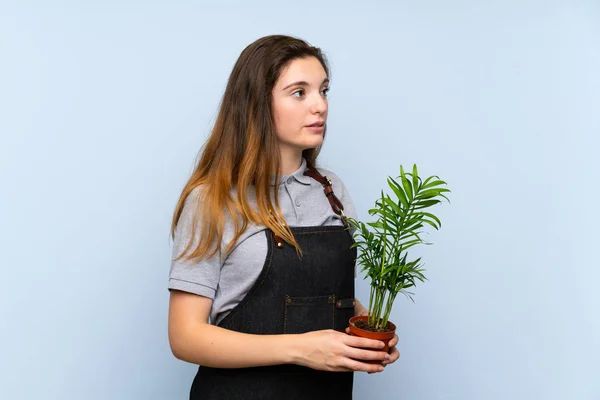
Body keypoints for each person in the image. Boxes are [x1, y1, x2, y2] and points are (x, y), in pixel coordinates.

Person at [167, 34, 400, 400]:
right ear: (257, 104)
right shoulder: (212, 200)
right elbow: (185, 336)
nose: (319, 106)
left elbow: (329, 295)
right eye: (299, 92)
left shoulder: (332, 191)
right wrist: (302, 349)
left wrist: (367, 332)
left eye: (323, 90)